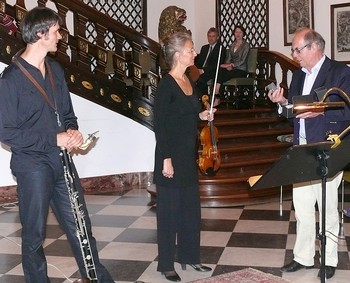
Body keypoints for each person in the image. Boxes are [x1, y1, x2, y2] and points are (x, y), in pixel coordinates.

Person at [0, 7, 114, 283]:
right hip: (32, 165)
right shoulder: (11, 79)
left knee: (81, 227)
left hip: (61, 161)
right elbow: (6, 133)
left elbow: (67, 114)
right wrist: (53, 139)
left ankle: (99, 279)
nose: (60, 37)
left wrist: (72, 132)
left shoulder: (55, 70)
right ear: (40, 34)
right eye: (56, 31)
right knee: (34, 235)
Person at [268, 27, 350, 280]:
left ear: (314, 47)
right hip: (302, 148)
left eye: (297, 49)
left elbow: (347, 109)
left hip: (327, 148)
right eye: (294, 50)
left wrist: (322, 112)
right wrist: (283, 104)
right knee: (302, 207)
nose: (294, 54)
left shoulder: (340, 72)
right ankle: (303, 257)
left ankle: (329, 259)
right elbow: (296, 109)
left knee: (326, 208)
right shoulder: (299, 75)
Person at [153, 32, 215, 282]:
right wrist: (166, 158)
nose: (195, 53)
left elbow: (189, 115)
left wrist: (202, 116)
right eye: (191, 49)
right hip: (170, 156)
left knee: (191, 210)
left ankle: (190, 257)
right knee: (169, 213)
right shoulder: (166, 84)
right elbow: (161, 125)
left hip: (189, 155)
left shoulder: (190, 79)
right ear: (178, 55)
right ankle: (166, 264)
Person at [213, 25, 250, 106]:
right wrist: (227, 65)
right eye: (236, 32)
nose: (238, 34)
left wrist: (232, 65)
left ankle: (217, 96)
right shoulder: (232, 45)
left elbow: (243, 60)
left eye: (240, 32)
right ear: (234, 33)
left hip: (241, 69)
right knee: (219, 71)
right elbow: (228, 59)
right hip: (231, 68)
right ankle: (217, 94)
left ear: (243, 34)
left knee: (222, 74)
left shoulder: (246, 45)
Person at [194, 27, 226, 96]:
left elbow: (217, 64)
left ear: (217, 37)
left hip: (212, 71)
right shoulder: (204, 48)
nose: (211, 38)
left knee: (201, 79)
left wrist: (203, 70)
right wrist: (195, 69)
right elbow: (199, 62)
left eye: (213, 36)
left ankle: (204, 99)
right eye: (209, 36)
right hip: (201, 70)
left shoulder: (221, 48)